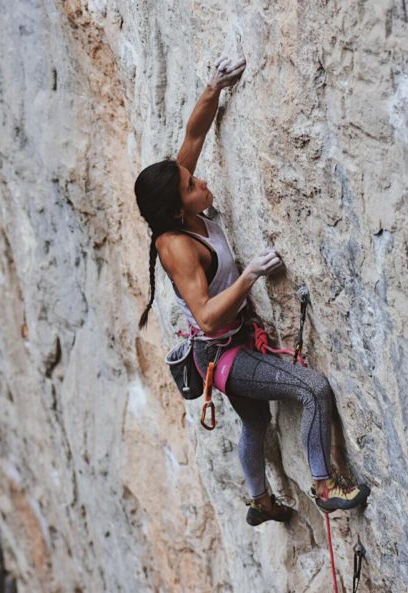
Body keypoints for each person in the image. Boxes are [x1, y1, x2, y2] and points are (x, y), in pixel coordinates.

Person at [134, 57, 370, 525]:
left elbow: (194, 136)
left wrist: (213, 87)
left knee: (256, 421)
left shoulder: (179, 202)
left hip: (227, 345)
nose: (200, 181)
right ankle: (326, 487)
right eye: (192, 185)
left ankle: (261, 502)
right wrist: (250, 276)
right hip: (223, 354)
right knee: (313, 388)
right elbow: (206, 317)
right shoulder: (178, 247)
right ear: (178, 210)